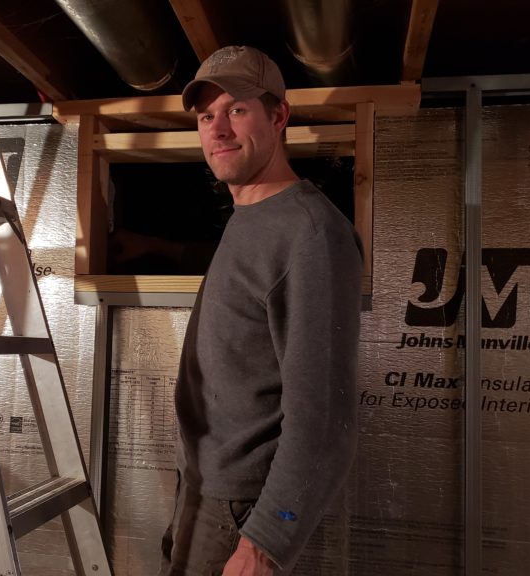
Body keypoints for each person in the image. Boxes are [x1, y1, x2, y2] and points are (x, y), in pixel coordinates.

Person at [159, 45, 361, 575]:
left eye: (238, 109)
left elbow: (324, 421)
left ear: (278, 116)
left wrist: (266, 541)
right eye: (207, 116)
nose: (218, 129)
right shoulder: (249, 215)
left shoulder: (311, 233)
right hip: (203, 492)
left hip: (240, 514)